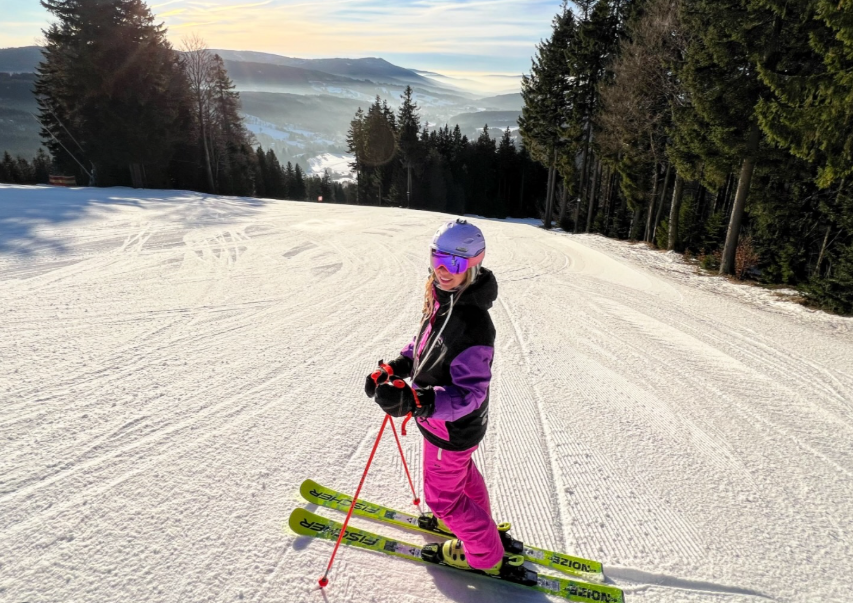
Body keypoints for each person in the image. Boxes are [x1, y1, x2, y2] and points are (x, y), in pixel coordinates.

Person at [364, 219, 509, 575]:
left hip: (451, 425)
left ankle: (484, 555)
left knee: (443, 499)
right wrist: (397, 365)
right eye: (437, 258)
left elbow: (471, 393)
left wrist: (420, 401)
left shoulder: (473, 324)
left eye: (455, 263)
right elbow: (425, 344)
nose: (443, 270)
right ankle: (475, 524)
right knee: (462, 477)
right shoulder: (444, 297)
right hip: (446, 425)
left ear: (475, 263)